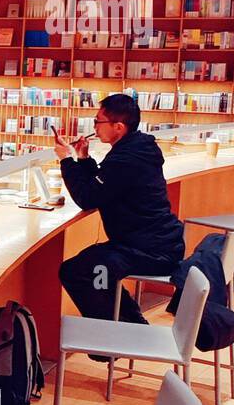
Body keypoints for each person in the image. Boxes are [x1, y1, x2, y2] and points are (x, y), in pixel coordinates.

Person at [55, 94, 185, 334]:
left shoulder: (127, 159)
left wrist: (66, 160)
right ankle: (133, 326)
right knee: (94, 267)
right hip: (152, 242)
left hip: (150, 250)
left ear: (118, 127)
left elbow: (88, 198)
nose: (94, 127)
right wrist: (83, 158)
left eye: (98, 122)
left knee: (81, 271)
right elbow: (101, 185)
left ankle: (111, 336)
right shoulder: (137, 148)